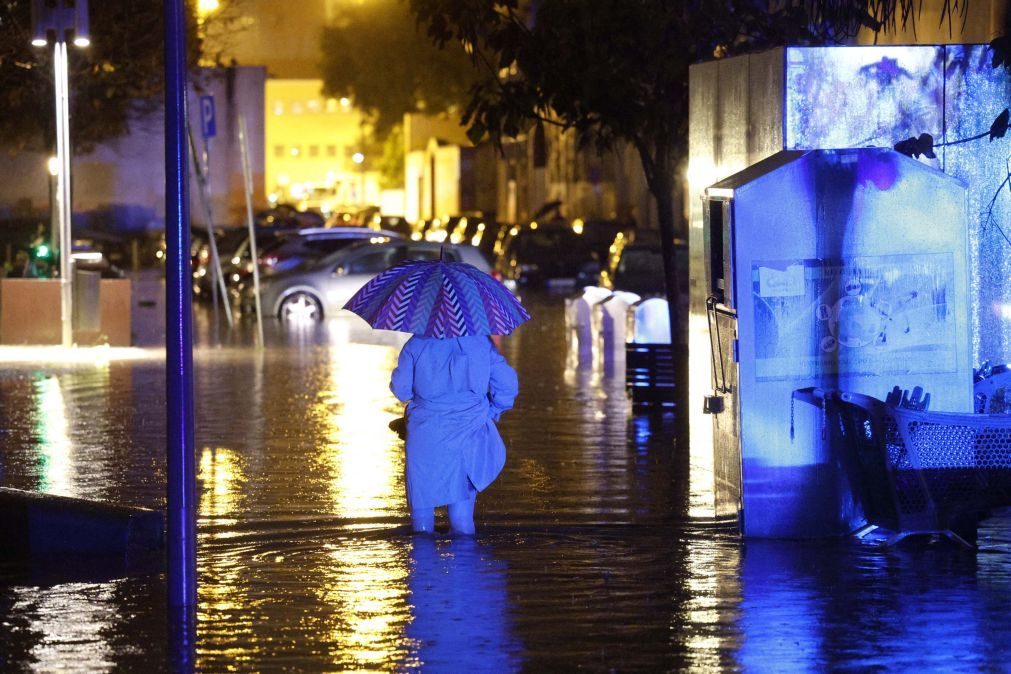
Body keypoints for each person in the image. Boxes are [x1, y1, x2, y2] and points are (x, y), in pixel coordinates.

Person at [390, 334, 518, 535]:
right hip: (469, 433)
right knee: (462, 517)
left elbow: (402, 391)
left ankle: (423, 563)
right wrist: (490, 411)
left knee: (421, 515)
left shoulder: (416, 344)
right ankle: (463, 562)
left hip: (425, 434)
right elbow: (507, 385)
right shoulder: (482, 343)